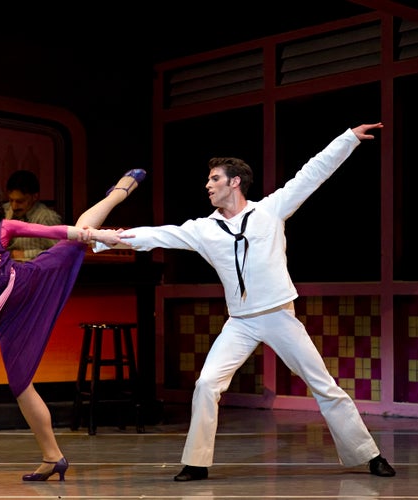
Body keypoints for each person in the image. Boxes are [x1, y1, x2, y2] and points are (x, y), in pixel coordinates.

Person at [93, 123, 396, 480]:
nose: (208, 185)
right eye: (208, 180)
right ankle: (196, 462)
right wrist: (103, 238)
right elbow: (155, 235)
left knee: (322, 384)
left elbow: (312, 173)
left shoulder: (270, 210)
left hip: (279, 316)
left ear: (234, 182)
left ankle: (369, 454)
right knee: (206, 384)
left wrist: (347, 139)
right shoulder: (203, 229)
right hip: (240, 322)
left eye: (214, 179)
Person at [0, 166, 146, 482]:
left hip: (28, 285)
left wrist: (98, 236)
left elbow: (58, 232)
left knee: (73, 241)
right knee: (20, 384)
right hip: (6, 315)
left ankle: (118, 193)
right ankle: (53, 457)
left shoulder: (2, 227)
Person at [4, 169, 62, 261]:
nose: (14, 206)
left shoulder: (46, 218)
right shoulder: (4, 211)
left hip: (33, 271)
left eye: (20, 201)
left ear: (34, 197)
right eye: (11, 200)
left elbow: (60, 252)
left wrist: (25, 254)